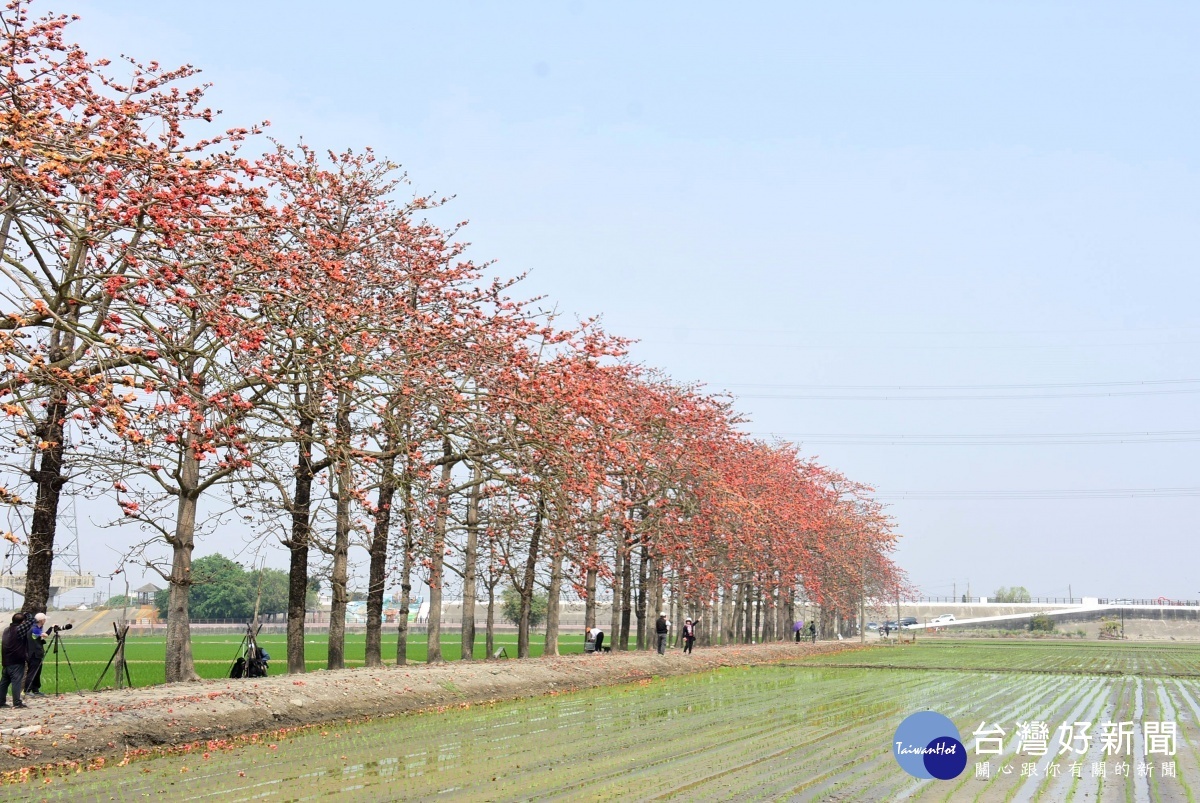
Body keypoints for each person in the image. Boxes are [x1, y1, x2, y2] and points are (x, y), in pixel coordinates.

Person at [0, 613, 35, 708]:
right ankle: (17, 702)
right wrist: (27, 614)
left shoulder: (7, 630)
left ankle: (1, 701)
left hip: (6, 660)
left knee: (4, 682)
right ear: (22, 622)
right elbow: (32, 621)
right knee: (16, 682)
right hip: (16, 661)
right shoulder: (18, 630)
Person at [23, 613, 46, 696]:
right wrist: (51, 629)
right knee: (32, 672)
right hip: (34, 654)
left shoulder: (36, 628)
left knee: (37, 672)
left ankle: (35, 689)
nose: (45, 621)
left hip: (37, 654)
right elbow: (44, 635)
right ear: (41, 620)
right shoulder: (34, 629)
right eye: (44, 619)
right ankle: (27, 690)